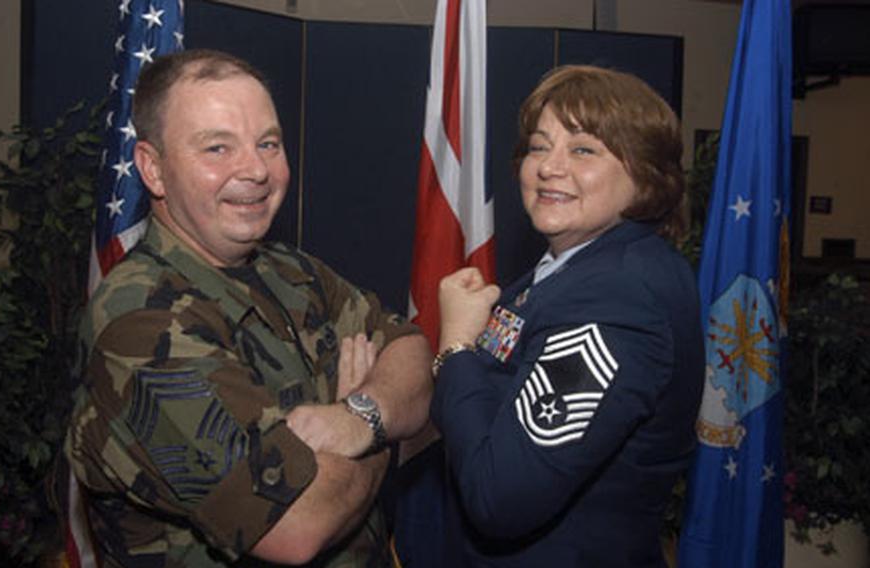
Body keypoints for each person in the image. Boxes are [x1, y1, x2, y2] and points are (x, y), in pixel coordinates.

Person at [64, 49, 432, 568]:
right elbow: (296, 524)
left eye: (268, 143)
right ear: (152, 168)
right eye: (217, 148)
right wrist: (381, 436)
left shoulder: (289, 272)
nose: (256, 170)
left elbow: (411, 348)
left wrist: (359, 416)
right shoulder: (140, 326)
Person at [430, 65, 705, 567]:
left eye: (584, 150)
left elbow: (500, 497)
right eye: (539, 146)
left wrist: (455, 349)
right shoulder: (573, 270)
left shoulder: (615, 300)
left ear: (646, 174)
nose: (549, 167)